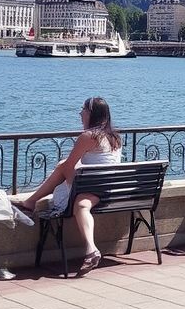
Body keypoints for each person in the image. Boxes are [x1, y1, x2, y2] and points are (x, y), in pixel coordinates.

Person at [15, 97, 122, 275]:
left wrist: (70, 181)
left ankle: (31, 201)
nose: (80, 113)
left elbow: (70, 166)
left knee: (63, 166)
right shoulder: (114, 137)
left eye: (84, 110)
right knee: (81, 203)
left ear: (92, 114)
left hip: (93, 188)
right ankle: (90, 250)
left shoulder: (88, 136)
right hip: (109, 189)